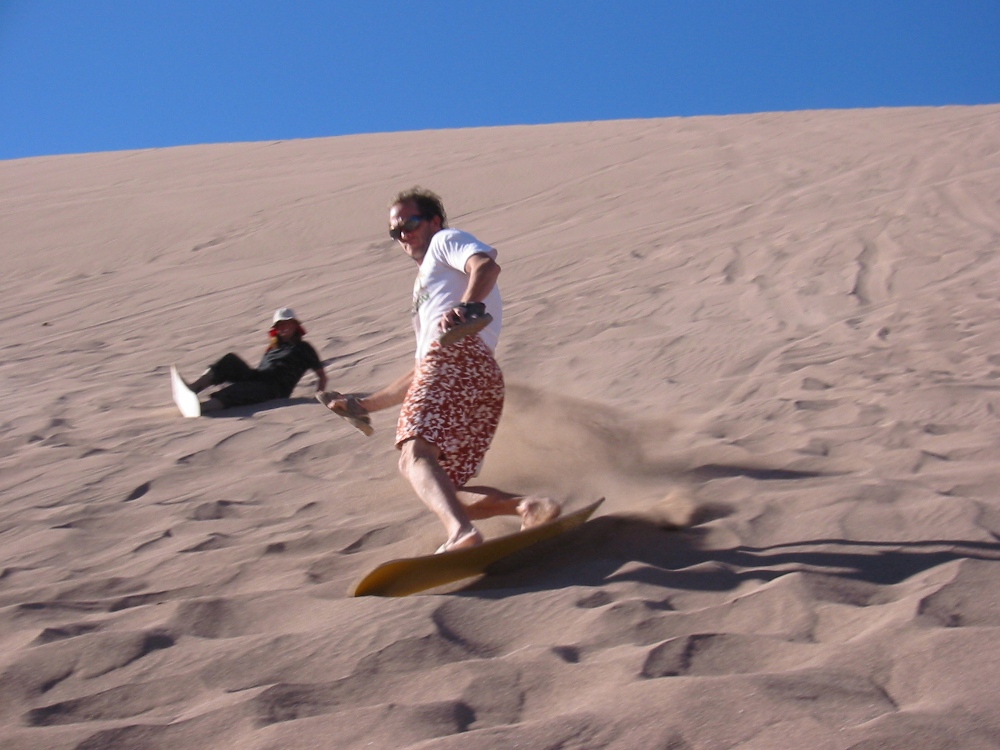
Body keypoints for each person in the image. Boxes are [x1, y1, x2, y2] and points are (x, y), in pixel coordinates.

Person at [321, 187, 559, 552]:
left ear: (434, 221)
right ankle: (529, 506)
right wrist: (363, 405)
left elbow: (486, 266)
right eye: (394, 231)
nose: (403, 234)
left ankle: (461, 534)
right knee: (443, 487)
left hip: (457, 358)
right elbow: (423, 367)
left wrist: (468, 307)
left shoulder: (445, 241)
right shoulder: (426, 284)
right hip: (479, 376)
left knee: (414, 455)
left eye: (410, 223)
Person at [181, 307, 327, 412]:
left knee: (240, 390)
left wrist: (319, 396)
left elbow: (321, 375)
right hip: (259, 378)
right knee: (230, 361)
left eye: (288, 323)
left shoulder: (303, 347)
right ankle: (193, 388)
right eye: (280, 325)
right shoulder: (273, 348)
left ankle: (203, 408)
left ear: (295, 326)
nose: (284, 327)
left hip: (275, 389)